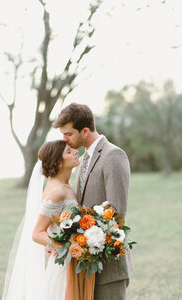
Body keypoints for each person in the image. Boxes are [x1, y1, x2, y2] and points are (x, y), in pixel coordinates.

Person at [53, 103, 134, 300]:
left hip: (109, 266)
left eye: (69, 134)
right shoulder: (81, 161)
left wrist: (87, 238)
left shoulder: (113, 155)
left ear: (85, 131)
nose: (65, 139)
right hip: (87, 267)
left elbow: (116, 212)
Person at [2, 140, 80, 300]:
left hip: (72, 261)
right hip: (63, 264)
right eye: (69, 151)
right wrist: (65, 246)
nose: (75, 152)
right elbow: (37, 233)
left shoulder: (66, 186)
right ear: (58, 163)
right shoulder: (57, 191)